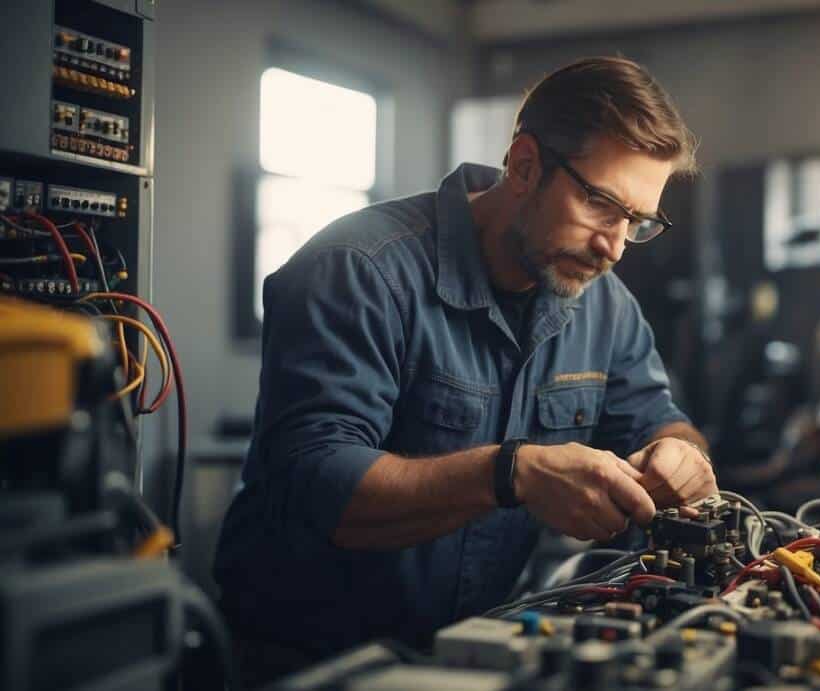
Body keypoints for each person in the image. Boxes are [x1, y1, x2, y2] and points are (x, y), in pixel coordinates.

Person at [213, 56, 717, 684]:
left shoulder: (604, 305)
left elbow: (658, 421)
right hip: (308, 660)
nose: (613, 245)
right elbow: (319, 488)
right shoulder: (358, 269)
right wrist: (512, 472)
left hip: (476, 653)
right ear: (525, 165)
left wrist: (679, 454)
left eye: (637, 223)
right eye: (602, 206)